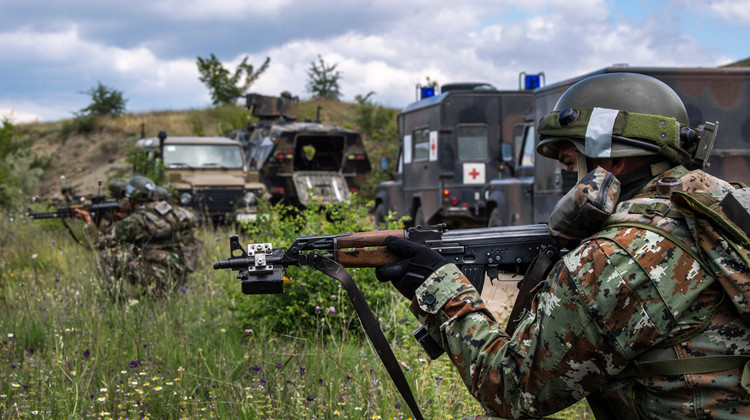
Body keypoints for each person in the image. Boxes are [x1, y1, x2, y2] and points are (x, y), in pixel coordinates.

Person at [376, 73, 750, 419]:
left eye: (570, 162)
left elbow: (512, 388)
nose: (568, 177)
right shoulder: (719, 206)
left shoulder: (619, 256)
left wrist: (440, 290)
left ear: (610, 162)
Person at [73, 175, 202, 297]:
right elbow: (193, 222)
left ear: (134, 197)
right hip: (179, 274)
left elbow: (99, 242)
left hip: (160, 279)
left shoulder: (136, 221)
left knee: (108, 255)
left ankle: (117, 301)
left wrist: (88, 220)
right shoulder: (177, 212)